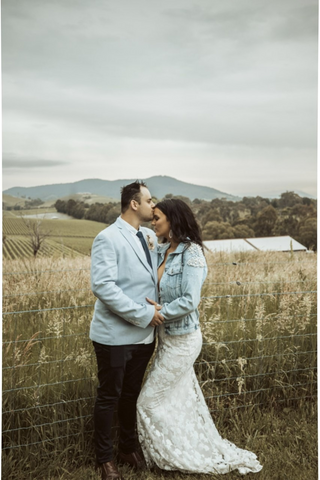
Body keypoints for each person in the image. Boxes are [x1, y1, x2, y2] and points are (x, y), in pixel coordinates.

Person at [137, 198, 263, 475]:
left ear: (173, 220)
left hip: (183, 340)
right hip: (165, 340)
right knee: (176, 399)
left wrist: (160, 313)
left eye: (157, 217)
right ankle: (176, 448)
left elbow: (189, 300)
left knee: (147, 402)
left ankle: (172, 455)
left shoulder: (191, 253)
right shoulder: (160, 250)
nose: (153, 222)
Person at [90, 181, 164, 480]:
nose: (153, 206)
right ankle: (105, 459)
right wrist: (145, 314)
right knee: (110, 395)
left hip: (145, 336)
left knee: (131, 394)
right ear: (134, 204)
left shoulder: (147, 235)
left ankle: (128, 448)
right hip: (116, 335)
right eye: (149, 200)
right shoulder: (107, 238)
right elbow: (103, 287)